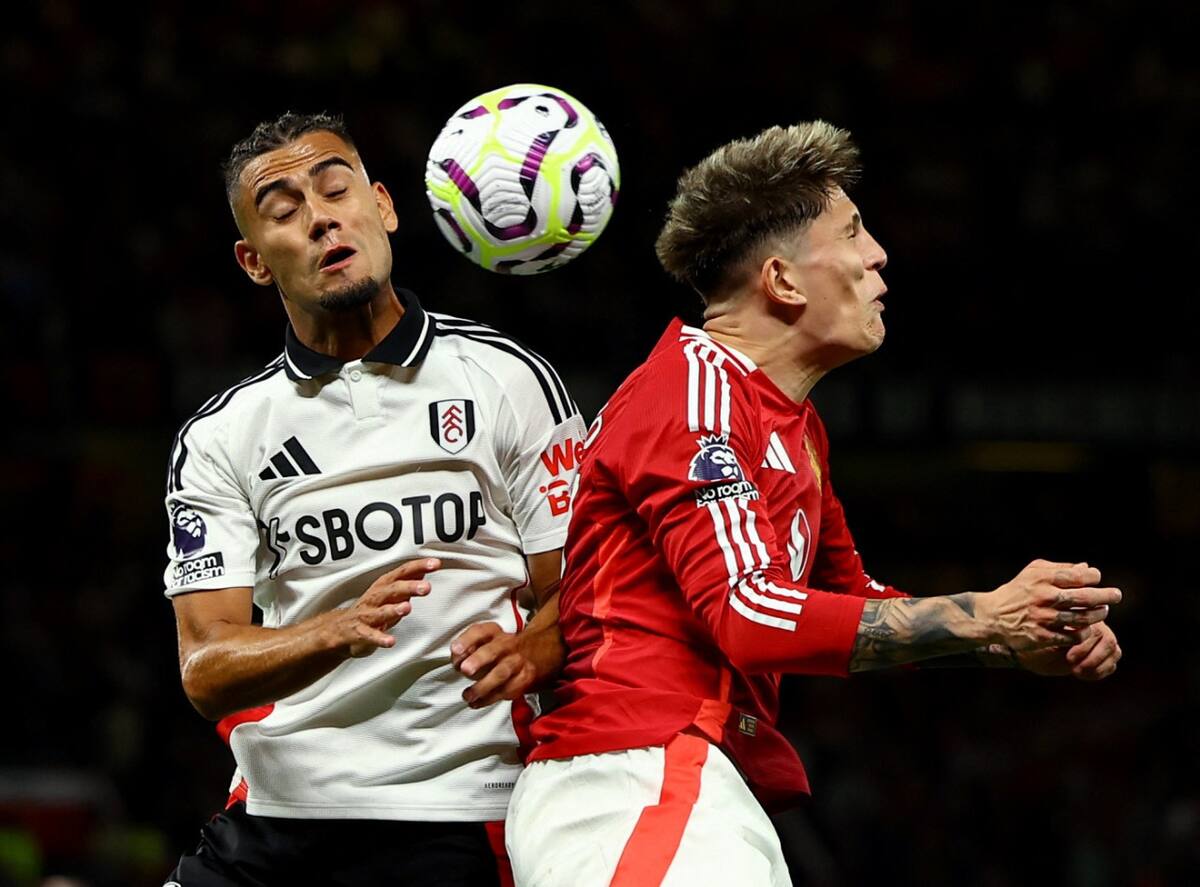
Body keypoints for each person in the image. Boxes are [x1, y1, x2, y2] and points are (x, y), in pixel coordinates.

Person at [503, 121, 1124, 887]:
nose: (878, 256)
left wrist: (1008, 639)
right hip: (632, 774)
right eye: (854, 233)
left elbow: (848, 602)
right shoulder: (692, 396)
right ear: (784, 282)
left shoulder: (792, 425)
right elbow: (751, 613)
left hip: (699, 781)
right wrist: (985, 612)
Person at [162, 112, 586, 886]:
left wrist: (534, 646)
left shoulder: (507, 379)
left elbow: (588, 590)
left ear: (383, 207)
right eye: (285, 210)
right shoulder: (224, 433)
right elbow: (206, 665)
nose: (321, 216)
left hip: (457, 812)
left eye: (335, 188)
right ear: (255, 261)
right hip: (275, 817)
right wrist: (334, 630)